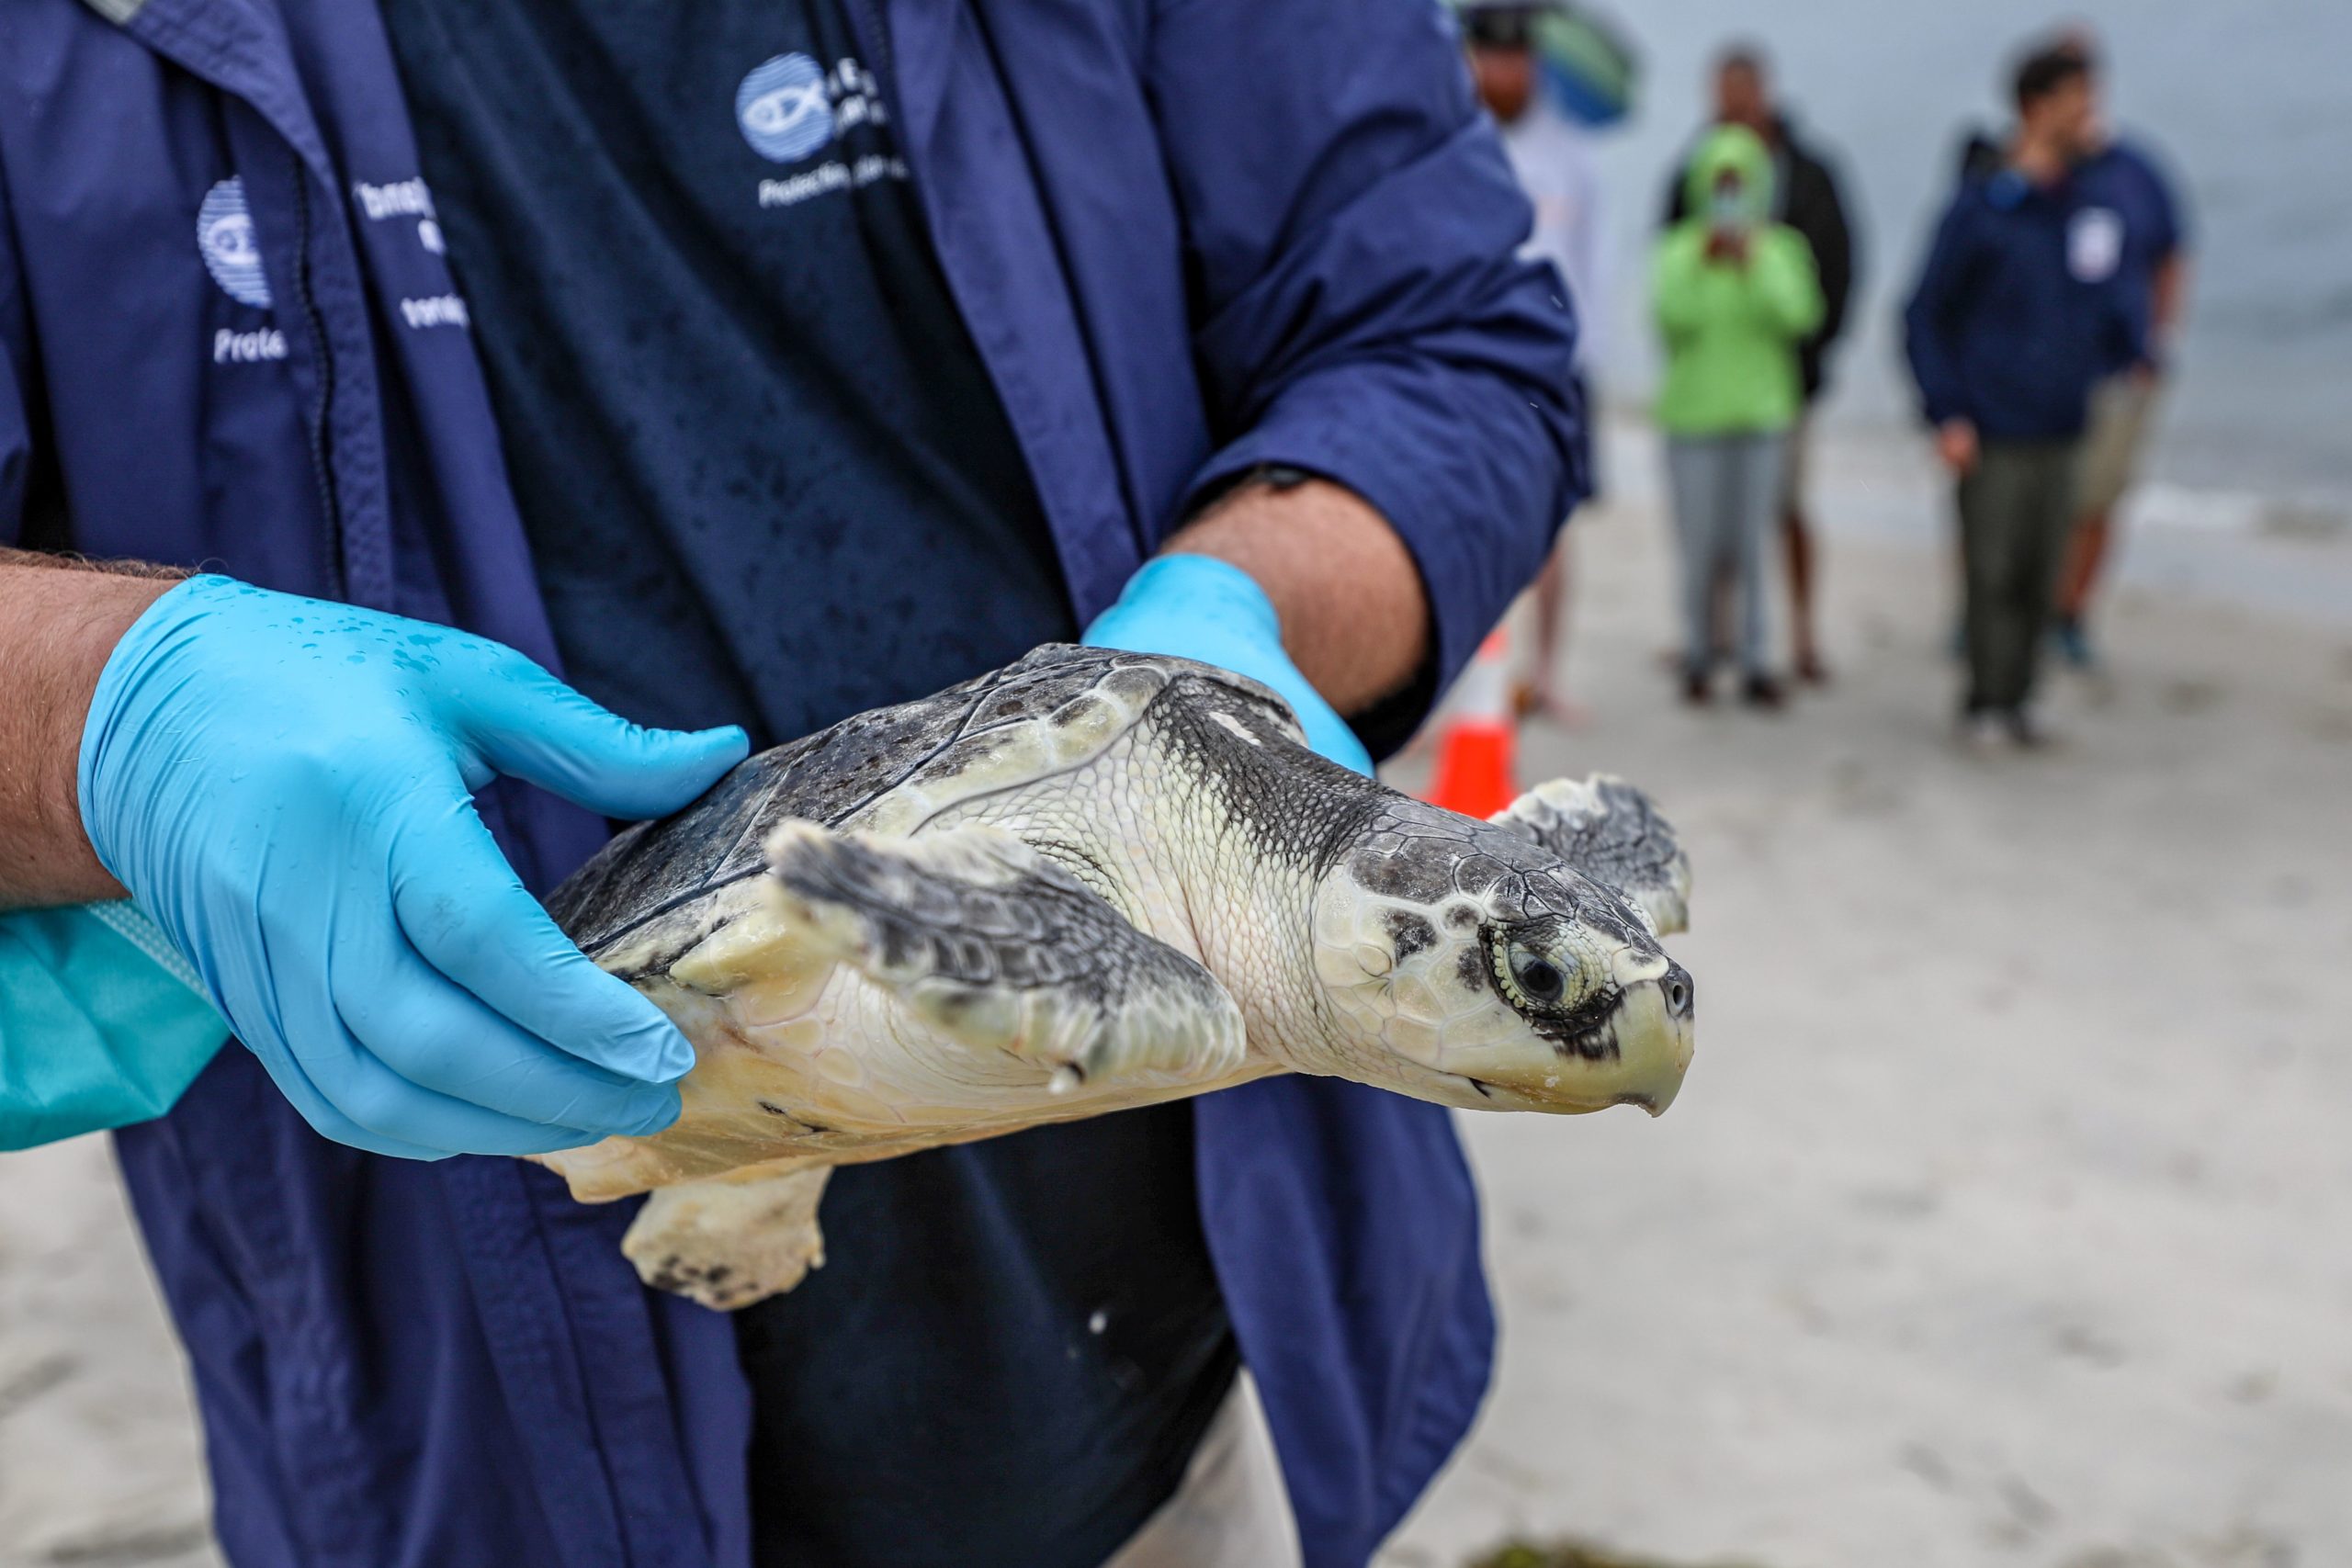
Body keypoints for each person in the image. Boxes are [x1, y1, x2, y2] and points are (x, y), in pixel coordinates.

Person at [0, 3, 1583, 1567]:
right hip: (464, 1423)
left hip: (1152, 1410)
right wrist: (99, 707)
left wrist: (1247, 611)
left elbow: (1446, 334)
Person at [1905, 45, 2142, 750]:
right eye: (2079, 101)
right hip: (1992, 421)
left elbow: (2109, 300)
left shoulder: (2086, 205)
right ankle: (1986, 700)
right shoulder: (1983, 207)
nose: (2092, 117)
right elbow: (1924, 314)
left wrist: (2129, 354)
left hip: (2064, 419)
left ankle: (2025, 697)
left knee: (2046, 571)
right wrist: (1946, 411)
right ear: (2038, 107)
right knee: (1993, 571)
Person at [1663, 44, 1858, 684]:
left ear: (1765, 93)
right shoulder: (1687, 185)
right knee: (1708, 533)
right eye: (1723, 100)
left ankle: (1796, 635)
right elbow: (1666, 307)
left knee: (1783, 515)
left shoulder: (1807, 179)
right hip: (1702, 401)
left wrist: (1813, 360)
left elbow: (1831, 279)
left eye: (1743, 97)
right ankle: (1709, 641)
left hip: (1782, 390)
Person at [1463, 0, 1606, 723]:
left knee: (1552, 529)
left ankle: (1545, 672)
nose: (1506, 70)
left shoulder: (1570, 159)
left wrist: (1587, 366)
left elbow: (1587, 270)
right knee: (1463, 515)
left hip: (1552, 371)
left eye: (1517, 57)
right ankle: (1457, 686)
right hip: (1471, 361)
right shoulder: (1452, 147)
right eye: (1492, 57)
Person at [1651, 124, 1825, 708]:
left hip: (1762, 416)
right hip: (1693, 419)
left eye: (1740, 184)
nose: (1729, 196)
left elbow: (1799, 317)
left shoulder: (1781, 249)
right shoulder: (1677, 250)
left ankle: (1757, 659)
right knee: (1699, 547)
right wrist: (1705, 265)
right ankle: (1699, 655)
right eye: (1720, 185)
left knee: (1755, 546)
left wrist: (1753, 263)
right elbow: (1671, 320)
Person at [2046, 29, 2191, 669]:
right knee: (2019, 494)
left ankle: (2070, 612)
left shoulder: (2133, 171)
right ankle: (2000, 608)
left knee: (2097, 497)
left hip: (2115, 366)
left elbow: (2172, 253)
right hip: (2033, 370)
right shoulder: (2021, 171)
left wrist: (2155, 342)